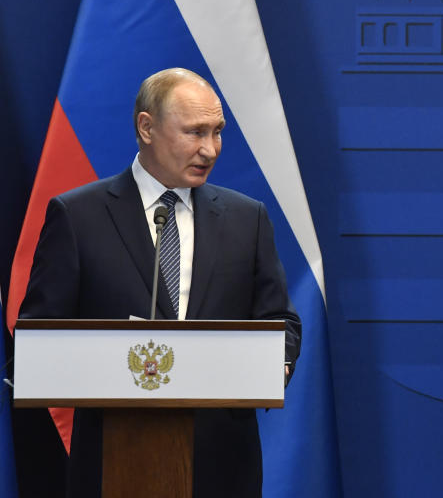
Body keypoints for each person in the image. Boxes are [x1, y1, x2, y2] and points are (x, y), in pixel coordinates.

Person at [19, 68, 302, 497]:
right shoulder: (78, 218)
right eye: (194, 132)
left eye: (217, 132)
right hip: (113, 462)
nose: (210, 149)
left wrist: (274, 362)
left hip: (223, 466)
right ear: (146, 127)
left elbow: (280, 320)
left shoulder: (248, 219)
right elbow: (40, 336)